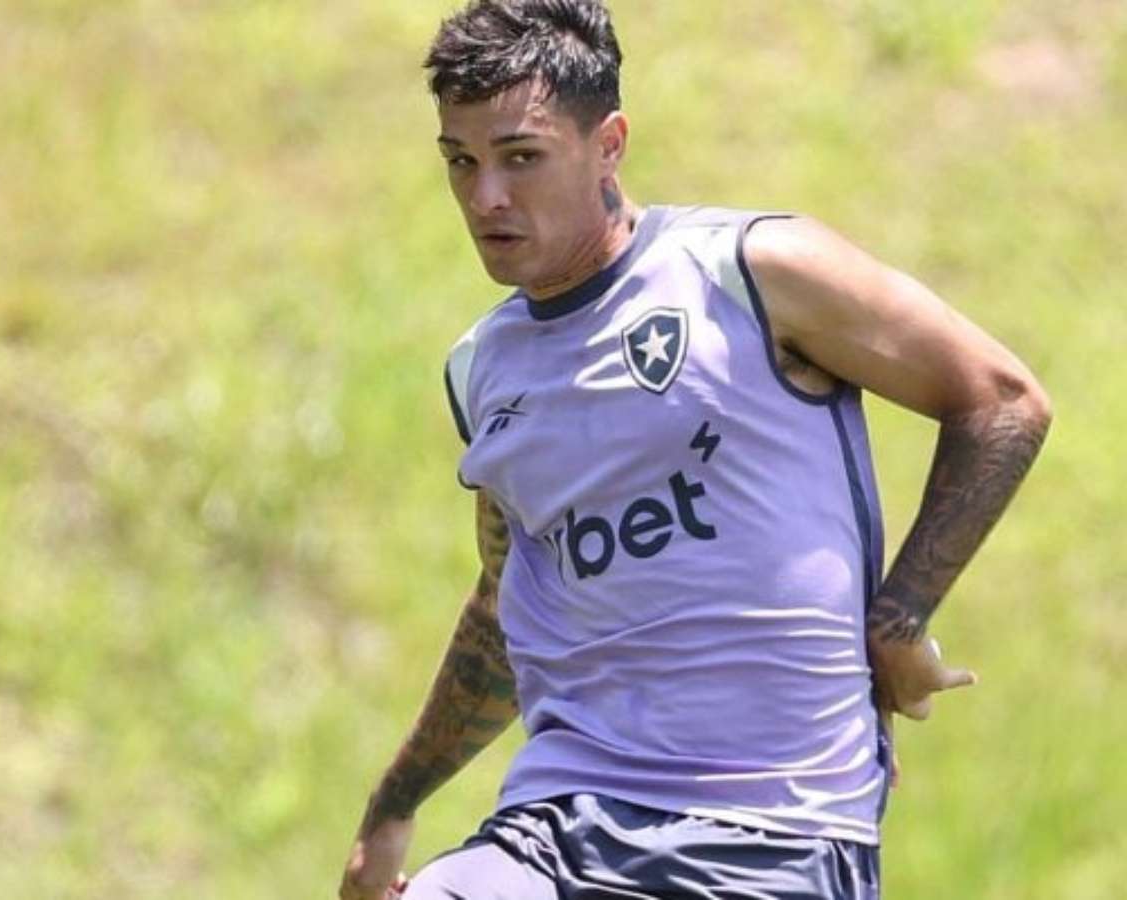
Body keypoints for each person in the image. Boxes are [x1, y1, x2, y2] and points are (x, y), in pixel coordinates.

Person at [339, 1, 1051, 897]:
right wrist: (393, 805)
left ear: (608, 144)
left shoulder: (751, 274)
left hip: (774, 837)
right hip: (561, 826)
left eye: (521, 157)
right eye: (461, 162)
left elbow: (1001, 401)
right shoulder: (485, 368)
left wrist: (896, 621)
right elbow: (506, 604)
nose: (487, 199)